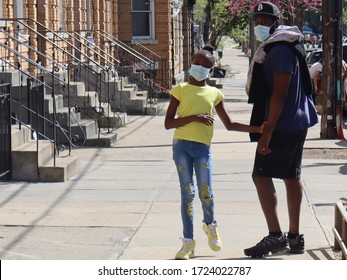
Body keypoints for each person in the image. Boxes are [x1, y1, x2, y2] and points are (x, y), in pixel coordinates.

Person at [165, 49, 263, 260]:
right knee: (187, 194)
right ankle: (188, 242)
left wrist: (257, 129)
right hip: (181, 146)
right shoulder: (179, 90)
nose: (198, 68)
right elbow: (168, 123)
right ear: (190, 64)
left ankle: (210, 225)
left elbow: (229, 124)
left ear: (210, 70)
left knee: (206, 191)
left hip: (202, 148)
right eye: (196, 63)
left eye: (204, 65)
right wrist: (194, 117)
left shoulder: (214, 94)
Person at [244, 2, 318, 258]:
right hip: (298, 121)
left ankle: (276, 236)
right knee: (291, 176)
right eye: (257, 21)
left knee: (261, 176)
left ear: (276, 23)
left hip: (283, 124)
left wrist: (267, 132)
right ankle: (295, 238)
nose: (260, 26)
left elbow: (279, 93)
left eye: (265, 21)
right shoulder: (288, 45)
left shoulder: (279, 51)